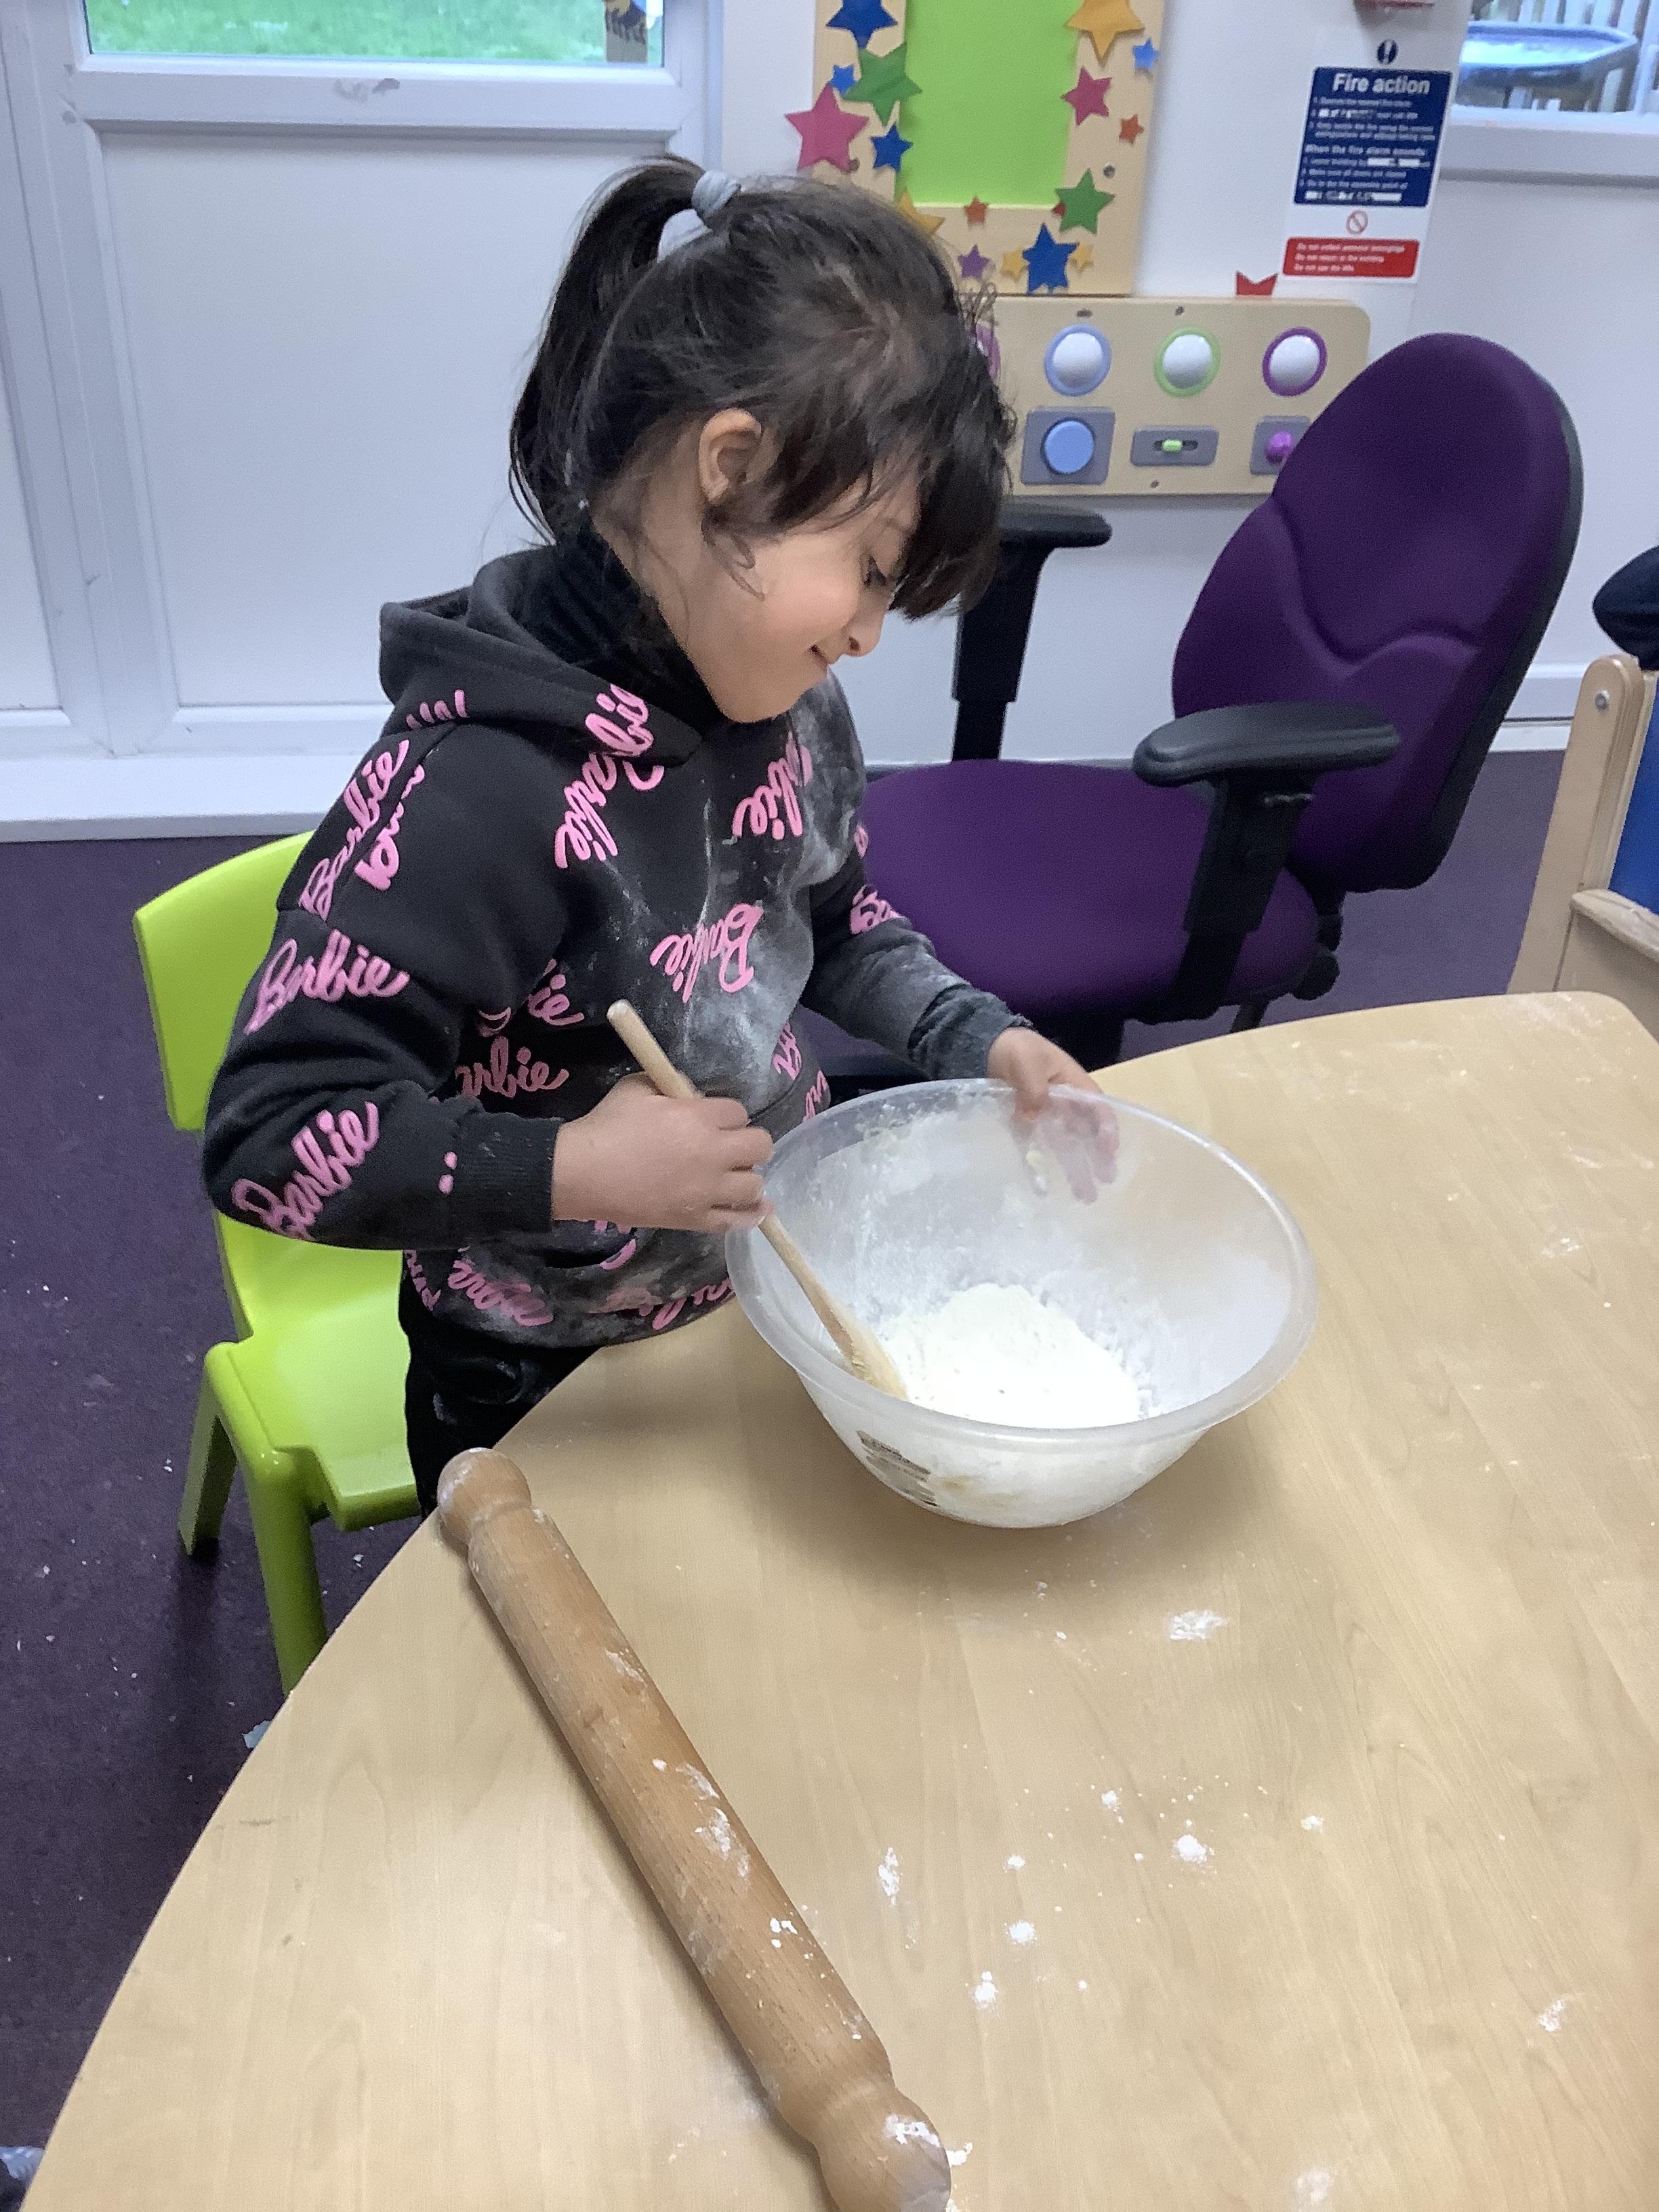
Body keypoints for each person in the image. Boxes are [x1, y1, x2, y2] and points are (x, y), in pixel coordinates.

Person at [203, 159, 1112, 1515]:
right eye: (870, 568)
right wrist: (579, 1165)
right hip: (535, 1372)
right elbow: (270, 1139)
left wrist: (978, 1036)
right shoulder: (476, 793)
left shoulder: (787, 701)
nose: (870, 631)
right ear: (732, 469)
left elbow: (833, 922)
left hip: (754, 1284)